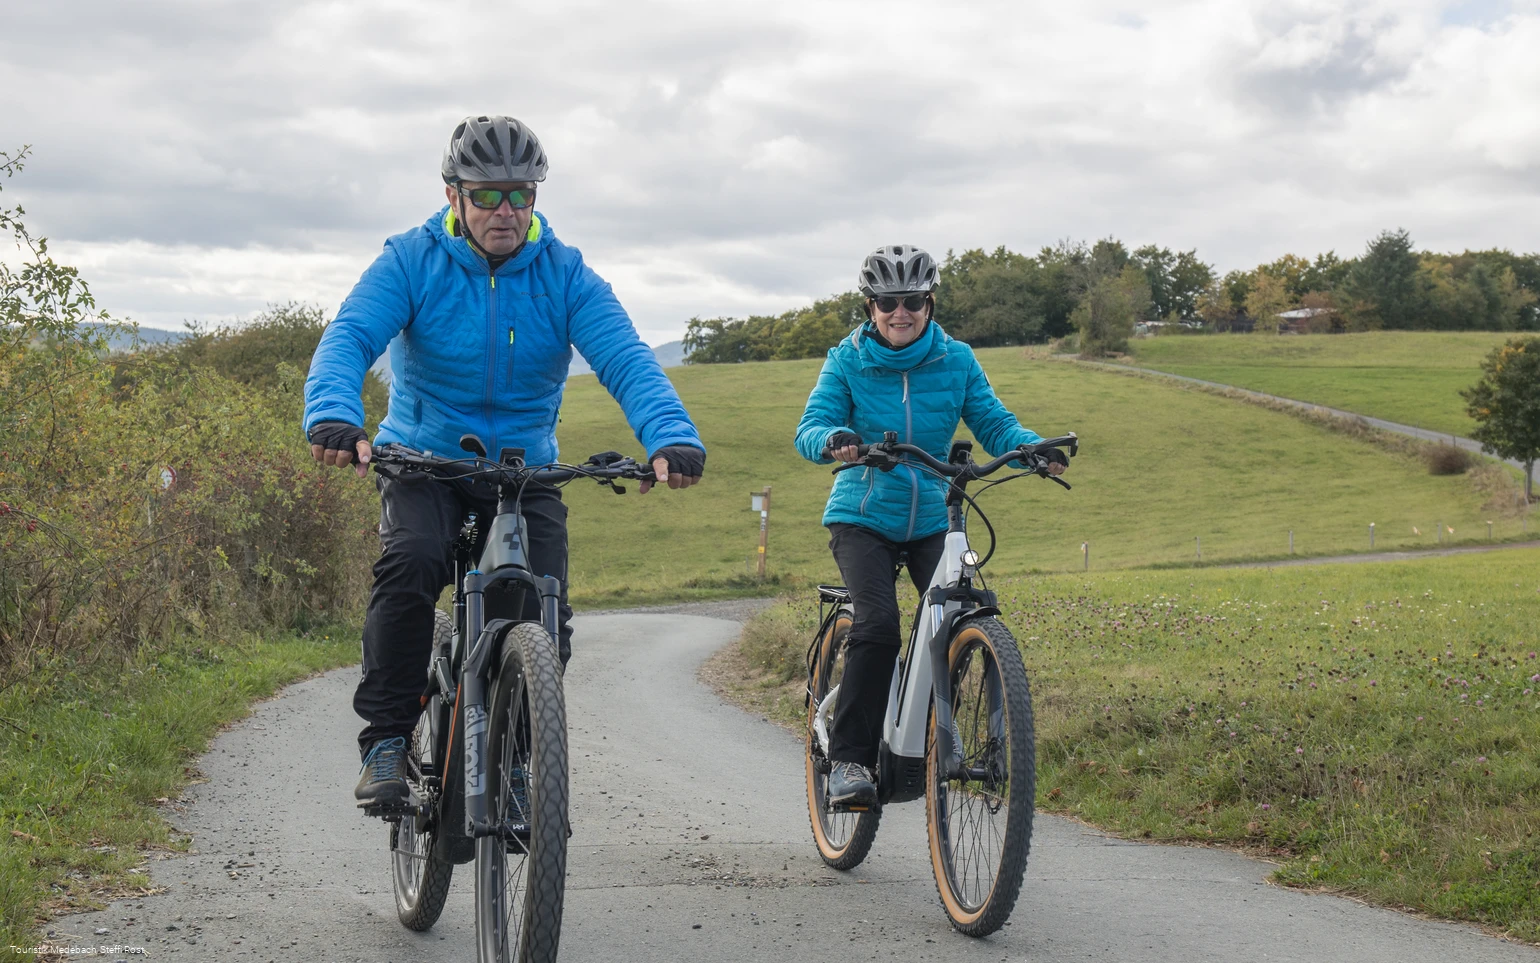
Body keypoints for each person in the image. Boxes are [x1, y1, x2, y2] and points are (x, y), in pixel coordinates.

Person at [304, 115, 706, 808]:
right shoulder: (412, 259)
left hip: (524, 472)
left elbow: (628, 360)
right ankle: (388, 741)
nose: (506, 211)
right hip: (424, 461)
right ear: (453, 194)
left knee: (543, 613)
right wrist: (335, 416)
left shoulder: (565, 274)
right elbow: (348, 338)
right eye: (487, 195)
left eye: (521, 194)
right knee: (411, 567)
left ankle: (519, 761)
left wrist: (670, 435)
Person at [793, 244, 1065, 809]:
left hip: (932, 516)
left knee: (956, 611)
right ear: (870, 306)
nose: (901, 312)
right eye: (888, 301)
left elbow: (994, 421)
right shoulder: (846, 360)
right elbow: (812, 426)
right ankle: (847, 758)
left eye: (912, 300)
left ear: (929, 302)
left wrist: (1031, 449)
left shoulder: (957, 359)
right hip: (863, 516)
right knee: (880, 623)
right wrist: (834, 441)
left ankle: (940, 722)